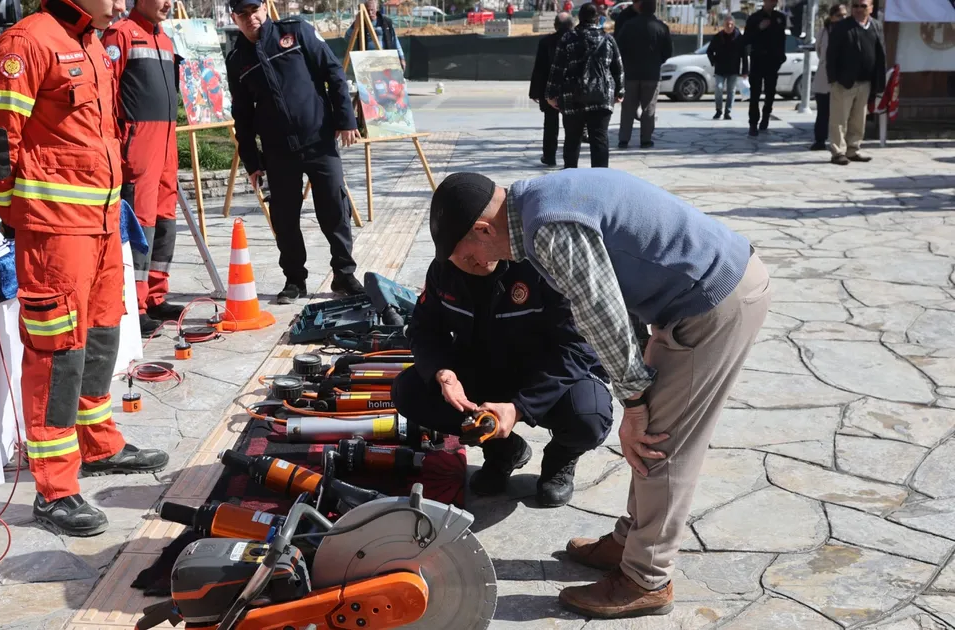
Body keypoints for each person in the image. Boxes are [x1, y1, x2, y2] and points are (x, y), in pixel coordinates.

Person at [428, 169, 770, 618]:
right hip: (697, 296)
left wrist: (633, 404)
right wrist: (638, 388)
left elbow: (600, 316)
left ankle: (647, 578)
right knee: (656, 439)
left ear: (482, 229)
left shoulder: (549, 229)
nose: (471, 262)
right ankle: (632, 540)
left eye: (465, 252)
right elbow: (614, 295)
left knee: (660, 447)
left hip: (710, 302)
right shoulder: (537, 200)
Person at [0, 0, 170, 538]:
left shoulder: (88, 41)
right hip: (56, 233)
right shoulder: (25, 43)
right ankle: (55, 489)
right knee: (58, 352)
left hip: (102, 224)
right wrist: (19, 215)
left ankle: (97, 442)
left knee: (103, 335)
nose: (122, 3)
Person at [392, 256, 613, 507]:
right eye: (451, 250)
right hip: (484, 366)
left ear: (486, 230)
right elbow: (423, 330)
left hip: (547, 372)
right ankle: (504, 451)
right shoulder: (444, 269)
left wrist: (520, 408)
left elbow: (577, 348)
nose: (464, 259)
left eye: (465, 243)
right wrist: (443, 372)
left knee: (589, 417)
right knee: (409, 390)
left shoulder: (545, 265)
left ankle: (560, 459)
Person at [226, 0, 364, 304]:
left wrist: (345, 120)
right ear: (234, 18)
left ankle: (344, 273)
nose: (252, 19)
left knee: (334, 209)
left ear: (265, 8)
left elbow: (334, 74)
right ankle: (294, 280)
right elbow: (242, 116)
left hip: (319, 141)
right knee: (285, 218)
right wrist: (252, 162)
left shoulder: (296, 32)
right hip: (278, 152)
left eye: (255, 10)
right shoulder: (237, 59)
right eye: (243, 15)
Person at [102, 0, 184, 338]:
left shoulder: (164, 38)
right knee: (142, 222)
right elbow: (107, 94)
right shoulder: (119, 35)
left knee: (165, 220)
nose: (168, 3)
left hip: (166, 143)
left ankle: (155, 295)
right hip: (139, 145)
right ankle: (134, 306)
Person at [546, 2, 624, 169]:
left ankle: (571, 177)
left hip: (573, 96)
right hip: (601, 96)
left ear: (579, 18)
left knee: (572, 139)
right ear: (598, 19)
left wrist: (551, 94)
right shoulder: (608, 39)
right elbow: (618, 68)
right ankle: (600, 178)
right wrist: (619, 91)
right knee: (600, 139)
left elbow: (557, 68)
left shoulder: (568, 38)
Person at [825, 0, 885, 165]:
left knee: (859, 119)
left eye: (863, 6)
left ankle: (853, 149)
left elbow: (881, 52)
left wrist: (879, 81)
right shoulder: (842, 27)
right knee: (839, 119)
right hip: (844, 82)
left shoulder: (876, 26)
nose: (858, 9)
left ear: (871, 8)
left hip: (865, 82)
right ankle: (838, 152)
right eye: (856, 6)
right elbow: (832, 54)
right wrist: (834, 79)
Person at [614, 0, 671, 149]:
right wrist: (656, 61)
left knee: (628, 108)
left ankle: (623, 139)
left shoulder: (628, 26)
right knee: (649, 108)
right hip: (651, 74)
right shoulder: (661, 27)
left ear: (640, 7)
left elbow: (618, 47)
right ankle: (646, 139)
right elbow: (668, 51)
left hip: (631, 73)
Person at [529, 12, 574, 167]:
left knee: (550, 124)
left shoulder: (546, 42)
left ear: (555, 25)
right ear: (571, 25)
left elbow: (539, 69)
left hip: (550, 90)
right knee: (572, 125)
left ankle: (549, 156)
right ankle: (570, 159)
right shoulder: (577, 41)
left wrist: (535, 92)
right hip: (572, 90)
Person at [742, 0, 787, 136]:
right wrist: (759, 28)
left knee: (770, 92)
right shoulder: (754, 18)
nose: (773, 2)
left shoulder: (779, 18)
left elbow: (782, 39)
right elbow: (746, 39)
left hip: (773, 61)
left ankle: (766, 116)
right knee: (755, 93)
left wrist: (781, 57)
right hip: (758, 59)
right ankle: (753, 123)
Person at [810, 3, 848, 150]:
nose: (842, 18)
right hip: (824, 77)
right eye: (839, 15)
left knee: (840, 113)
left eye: (845, 15)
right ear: (832, 17)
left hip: (843, 77)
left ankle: (840, 141)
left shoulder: (850, 30)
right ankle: (820, 140)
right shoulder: (825, 31)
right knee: (823, 111)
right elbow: (819, 50)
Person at [707, 15, 747, 120]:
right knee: (718, 88)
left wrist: (745, 71)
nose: (729, 26)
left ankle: (727, 112)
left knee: (731, 91)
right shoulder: (718, 37)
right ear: (723, 25)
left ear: (734, 25)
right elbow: (709, 51)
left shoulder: (739, 38)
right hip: (720, 68)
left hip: (733, 69)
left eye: (731, 24)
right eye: (727, 24)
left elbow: (744, 55)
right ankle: (718, 110)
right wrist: (714, 61)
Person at [345, 0, 406, 69]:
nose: (370, 13)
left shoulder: (386, 22)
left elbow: (395, 40)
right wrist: (355, 24)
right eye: (368, 10)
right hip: (367, 61)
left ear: (377, 9)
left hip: (384, 59)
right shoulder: (360, 23)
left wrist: (401, 58)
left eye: (372, 10)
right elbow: (347, 37)